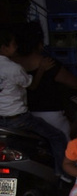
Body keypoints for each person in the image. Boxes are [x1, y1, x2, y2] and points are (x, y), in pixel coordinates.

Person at [0, 26, 68, 176]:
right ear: (4, 47)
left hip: (2, 122)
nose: (16, 46)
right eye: (13, 44)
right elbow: (32, 86)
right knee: (57, 136)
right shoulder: (13, 68)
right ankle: (63, 174)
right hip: (19, 119)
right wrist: (42, 69)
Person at [14, 20, 77, 143]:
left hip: (26, 115)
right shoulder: (48, 63)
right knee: (65, 148)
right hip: (52, 116)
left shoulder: (13, 64)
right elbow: (75, 84)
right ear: (40, 43)